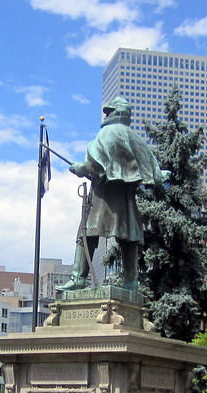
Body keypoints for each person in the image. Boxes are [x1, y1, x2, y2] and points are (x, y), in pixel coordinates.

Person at [58, 97, 166, 292]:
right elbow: (152, 169)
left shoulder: (108, 132)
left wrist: (80, 168)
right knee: (129, 237)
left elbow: (95, 164)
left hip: (104, 197)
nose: (106, 115)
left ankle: (78, 278)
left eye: (109, 111)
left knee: (86, 234)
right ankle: (131, 282)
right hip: (126, 198)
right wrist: (159, 176)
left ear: (117, 113)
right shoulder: (134, 137)